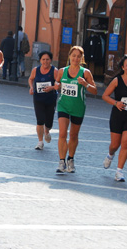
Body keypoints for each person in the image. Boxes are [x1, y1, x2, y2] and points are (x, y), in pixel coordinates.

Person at [54, 45, 98, 174]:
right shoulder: (62, 71)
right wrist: (57, 85)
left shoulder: (85, 73)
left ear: (81, 58)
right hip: (63, 105)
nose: (76, 58)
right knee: (62, 133)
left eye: (78, 56)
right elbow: (57, 83)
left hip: (78, 107)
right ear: (69, 56)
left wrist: (85, 84)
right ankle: (61, 161)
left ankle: (71, 159)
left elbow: (95, 90)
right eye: (73, 56)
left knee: (73, 135)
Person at [28, 51, 58, 150]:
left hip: (50, 99)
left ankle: (47, 131)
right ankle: (40, 142)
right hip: (38, 98)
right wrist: (31, 87)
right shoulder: (35, 70)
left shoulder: (54, 71)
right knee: (40, 120)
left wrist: (52, 88)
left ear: (51, 60)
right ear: (40, 60)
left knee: (49, 122)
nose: (45, 62)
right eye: (43, 59)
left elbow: (60, 84)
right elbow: (31, 79)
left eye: (47, 59)